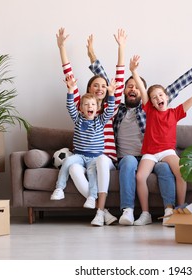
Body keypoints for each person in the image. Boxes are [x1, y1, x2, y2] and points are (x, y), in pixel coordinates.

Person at [88, 45, 192, 226]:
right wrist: (93, 58)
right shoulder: (115, 109)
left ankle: (170, 210)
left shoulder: (150, 108)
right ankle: (128, 211)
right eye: (129, 86)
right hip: (130, 157)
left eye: (136, 87)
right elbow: (107, 83)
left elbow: (178, 85)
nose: (132, 89)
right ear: (123, 90)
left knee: (164, 169)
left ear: (143, 93)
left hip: (153, 156)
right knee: (130, 162)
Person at [130, 55, 192, 226]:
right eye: (154, 97)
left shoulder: (175, 113)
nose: (158, 99)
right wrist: (134, 71)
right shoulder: (149, 110)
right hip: (150, 152)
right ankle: (145, 213)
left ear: (166, 96)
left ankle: (180, 208)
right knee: (140, 177)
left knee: (182, 173)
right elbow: (142, 90)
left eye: (160, 95)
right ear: (150, 102)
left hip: (167, 151)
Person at [50, 27, 126, 226]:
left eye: (103, 85)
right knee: (73, 168)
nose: (100, 88)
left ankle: (100, 212)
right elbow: (69, 77)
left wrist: (121, 48)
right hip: (83, 156)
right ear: (89, 91)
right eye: (96, 85)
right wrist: (61, 47)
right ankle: (104, 212)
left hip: (105, 157)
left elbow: (119, 77)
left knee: (100, 161)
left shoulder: (111, 107)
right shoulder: (82, 110)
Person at [59, 74, 116, 218]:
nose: (90, 107)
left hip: (95, 159)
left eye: (92, 105)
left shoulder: (100, 120)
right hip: (79, 157)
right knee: (71, 166)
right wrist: (71, 90)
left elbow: (109, 110)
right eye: (86, 105)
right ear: (81, 108)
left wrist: (111, 94)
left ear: (97, 108)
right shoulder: (78, 118)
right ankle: (103, 212)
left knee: (92, 173)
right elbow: (70, 107)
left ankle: (97, 205)